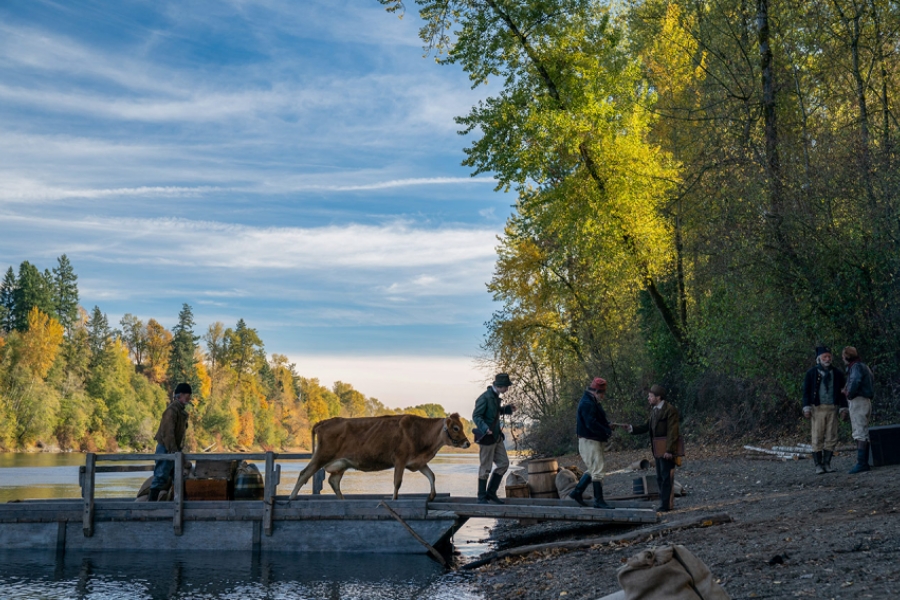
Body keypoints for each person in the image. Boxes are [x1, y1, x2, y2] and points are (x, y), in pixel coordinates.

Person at [619, 385, 681, 512]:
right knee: (660, 477)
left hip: (666, 450)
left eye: (650, 396)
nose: (648, 398)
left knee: (666, 477)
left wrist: (669, 450)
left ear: (658, 397)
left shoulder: (670, 410)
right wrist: (630, 428)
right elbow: (646, 426)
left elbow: (672, 432)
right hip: (657, 450)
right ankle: (664, 504)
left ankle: (666, 505)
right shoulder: (654, 410)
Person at [568, 377, 614, 509]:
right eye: (602, 393)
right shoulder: (588, 403)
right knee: (598, 470)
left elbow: (596, 419)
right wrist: (606, 430)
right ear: (596, 392)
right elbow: (591, 423)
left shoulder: (591, 401)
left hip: (591, 439)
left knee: (594, 469)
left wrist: (607, 425)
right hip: (590, 440)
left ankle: (577, 492)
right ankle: (598, 501)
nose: (603, 396)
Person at [801, 346, 848, 474]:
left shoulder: (837, 373)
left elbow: (842, 392)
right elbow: (806, 392)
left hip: (832, 408)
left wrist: (843, 408)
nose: (827, 359)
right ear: (819, 359)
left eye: (829, 357)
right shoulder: (811, 373)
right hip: (818, 408)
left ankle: (827, 463)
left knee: (832, 436)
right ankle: (818, 465)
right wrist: (806, 408)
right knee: (817, 436)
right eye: (824, 357)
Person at [472, 373, 515, 504]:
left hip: (496, 437)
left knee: (504, 464)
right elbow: (476, 416)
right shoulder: (484, 398)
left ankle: (491, 493)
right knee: (485, 467)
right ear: (500, 386)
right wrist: (485, 428)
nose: (507, 389)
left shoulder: (495, 397)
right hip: (487, 437)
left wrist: (506, 409)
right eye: (506, 387)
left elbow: (495, 412)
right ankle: (481, 497)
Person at [149, 382, 192, 502]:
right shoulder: (171, 411)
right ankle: (149, 507)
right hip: (166, 449)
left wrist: (178, 452)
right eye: (188, 396)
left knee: (178, 477)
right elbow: (168, 434)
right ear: (181, 395)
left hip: (174, 450)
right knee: (160, 477)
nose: (189, 398)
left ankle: (178, 504)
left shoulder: (180, 412)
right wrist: (174, 452)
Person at [842, 347, 874, 474]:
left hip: (858, 400)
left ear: (846, 357)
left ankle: (862, 463)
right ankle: (864, 462)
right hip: (865, 400)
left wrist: (848, 393)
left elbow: (855, 381)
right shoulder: (863, 366)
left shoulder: (855, 367)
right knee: (863, 431)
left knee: (859, 431)